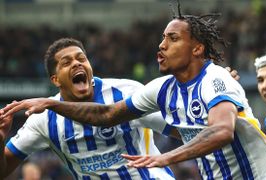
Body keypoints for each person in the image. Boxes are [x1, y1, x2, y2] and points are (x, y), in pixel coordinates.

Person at [0, 5, 266, 180]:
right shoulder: (160, 89)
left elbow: (220, 131)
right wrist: (50, 105)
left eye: (172, 39)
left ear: (196, 48)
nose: (161, 45)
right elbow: (110, 115)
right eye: (162, 38)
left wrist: (166, 158)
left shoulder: (214, 79)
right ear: (54, 79)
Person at [0, 38, 176, 179]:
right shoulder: (43, 119)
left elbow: (178, 129)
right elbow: (3, 170)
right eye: (66, 62)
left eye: (81, 58)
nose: (77, 63)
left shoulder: (126, 92)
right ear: (55, 80)